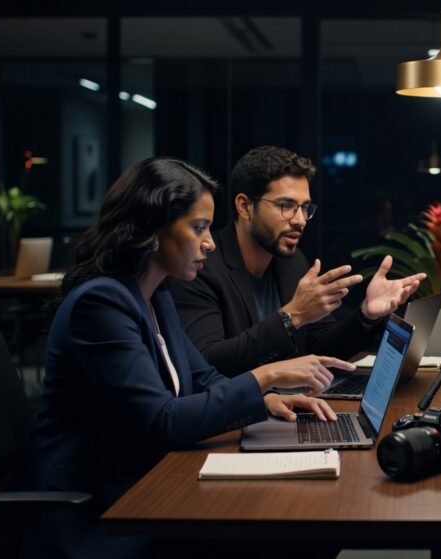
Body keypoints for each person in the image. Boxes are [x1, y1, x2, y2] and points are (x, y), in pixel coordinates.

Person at [24, 157, 351, 558]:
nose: (210, 242)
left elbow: (203, 377)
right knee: (297, 534)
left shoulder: (156, 295)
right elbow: (161, 421)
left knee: (307, 527)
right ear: (151, 229)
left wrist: (265, 401)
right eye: (198, 228)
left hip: (148, 479)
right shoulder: (101, 303)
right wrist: (264, 377)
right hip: (96, 505)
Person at [170, 146, 425, 375]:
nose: (300, 220)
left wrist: (366, 316)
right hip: (232, 419)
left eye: (305, 207)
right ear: (245, 206)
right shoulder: (200, 264)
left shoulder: (291, 262)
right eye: (285, 205)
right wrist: (291, 316)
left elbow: (321, 346)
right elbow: (207, 362)